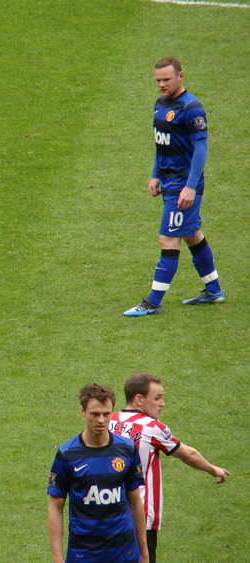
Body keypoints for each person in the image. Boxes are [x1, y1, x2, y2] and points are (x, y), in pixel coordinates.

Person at [125, 56, 225, 317]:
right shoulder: (160, 105)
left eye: (166, 79)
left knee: (168, 237)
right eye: (158, 80)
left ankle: (153, 302)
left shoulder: (191, 108)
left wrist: (190, 187)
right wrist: (154, 175)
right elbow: (162, 145)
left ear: (180, 76)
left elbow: (201, 150)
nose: (161, 84)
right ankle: (214, 290)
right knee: (191, 233)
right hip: (168, 181)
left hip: (183, 184)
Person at [110, 373, 230, 562]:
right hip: (141, 516)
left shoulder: (108, 420)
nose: (162, 404)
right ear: (139, 399)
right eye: (157, 398)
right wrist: (212, 469)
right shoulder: (152, 427)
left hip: (108, 511)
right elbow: (187, 454)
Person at [47, 383, 147, 563]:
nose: (101, 420)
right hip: (84, 554)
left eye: (106, 414)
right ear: (83, 412)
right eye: (95, 414)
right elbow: (55, 506)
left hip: (124, 553)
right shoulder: (67, 454)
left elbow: (135, 502)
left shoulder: (126, 449)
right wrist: (57, 556)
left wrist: (144, 552)